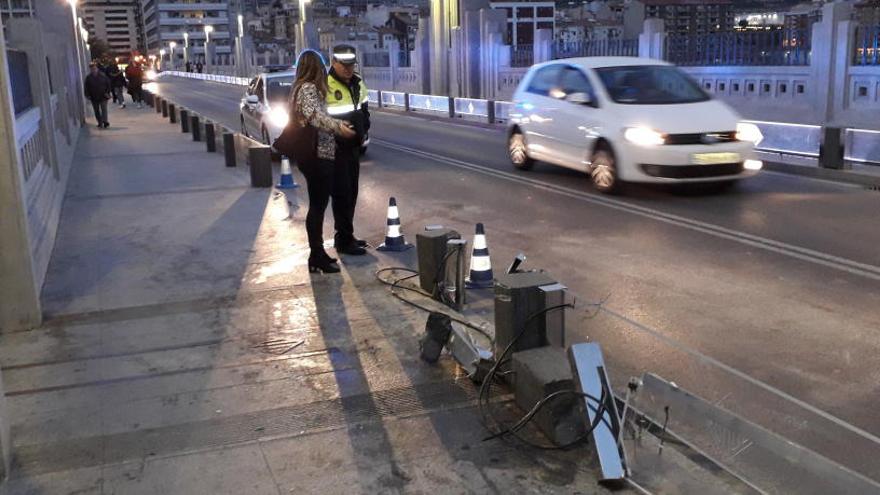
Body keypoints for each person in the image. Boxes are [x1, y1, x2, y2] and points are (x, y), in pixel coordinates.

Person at [288, 50, 357, 274]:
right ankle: (316, 255)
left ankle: (317, 254)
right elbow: (314, 117)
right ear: (316, 68)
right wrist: (339, 128)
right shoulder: (308, 88)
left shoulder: (300, 87)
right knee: (317, 207)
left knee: (319, 205)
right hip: (316, 157)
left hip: (318, 154)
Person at [325, 44, 371, 256]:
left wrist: (364, 129)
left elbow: (364, 109)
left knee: (352, 192)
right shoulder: (325, 84)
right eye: (343, 65)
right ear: (334, 63)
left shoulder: (358, 83)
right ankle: (343, 240)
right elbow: (320, 118)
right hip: (334, 148)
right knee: (341, 194)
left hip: (353, 147)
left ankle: (347, 234)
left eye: (351, 65)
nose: (348, 69)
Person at [84, 62, 111, 128]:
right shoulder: (88, 78)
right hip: (94, 96)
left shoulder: (103, 76)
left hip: (103, 96)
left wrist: (107, 92)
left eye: (94, 68)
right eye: (92, 68)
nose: (93, 70)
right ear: (90, 69)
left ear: (97, 68)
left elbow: (108, 84)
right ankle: (100, 122)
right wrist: (87, 95)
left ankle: (105, 121)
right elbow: (86, 87)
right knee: (96, 110)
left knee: (104, 109)